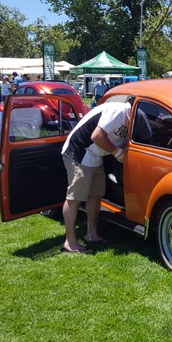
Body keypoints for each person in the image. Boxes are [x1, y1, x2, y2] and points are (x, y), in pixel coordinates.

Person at [60, 100, 131, 253]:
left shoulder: (129, 117)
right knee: (74, 198)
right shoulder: (119, 111)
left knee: (96, 195)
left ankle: (91, 234)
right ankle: (70, 242)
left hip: (96, 155)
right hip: (79, 152)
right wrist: (118, 153)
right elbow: (97, 135)